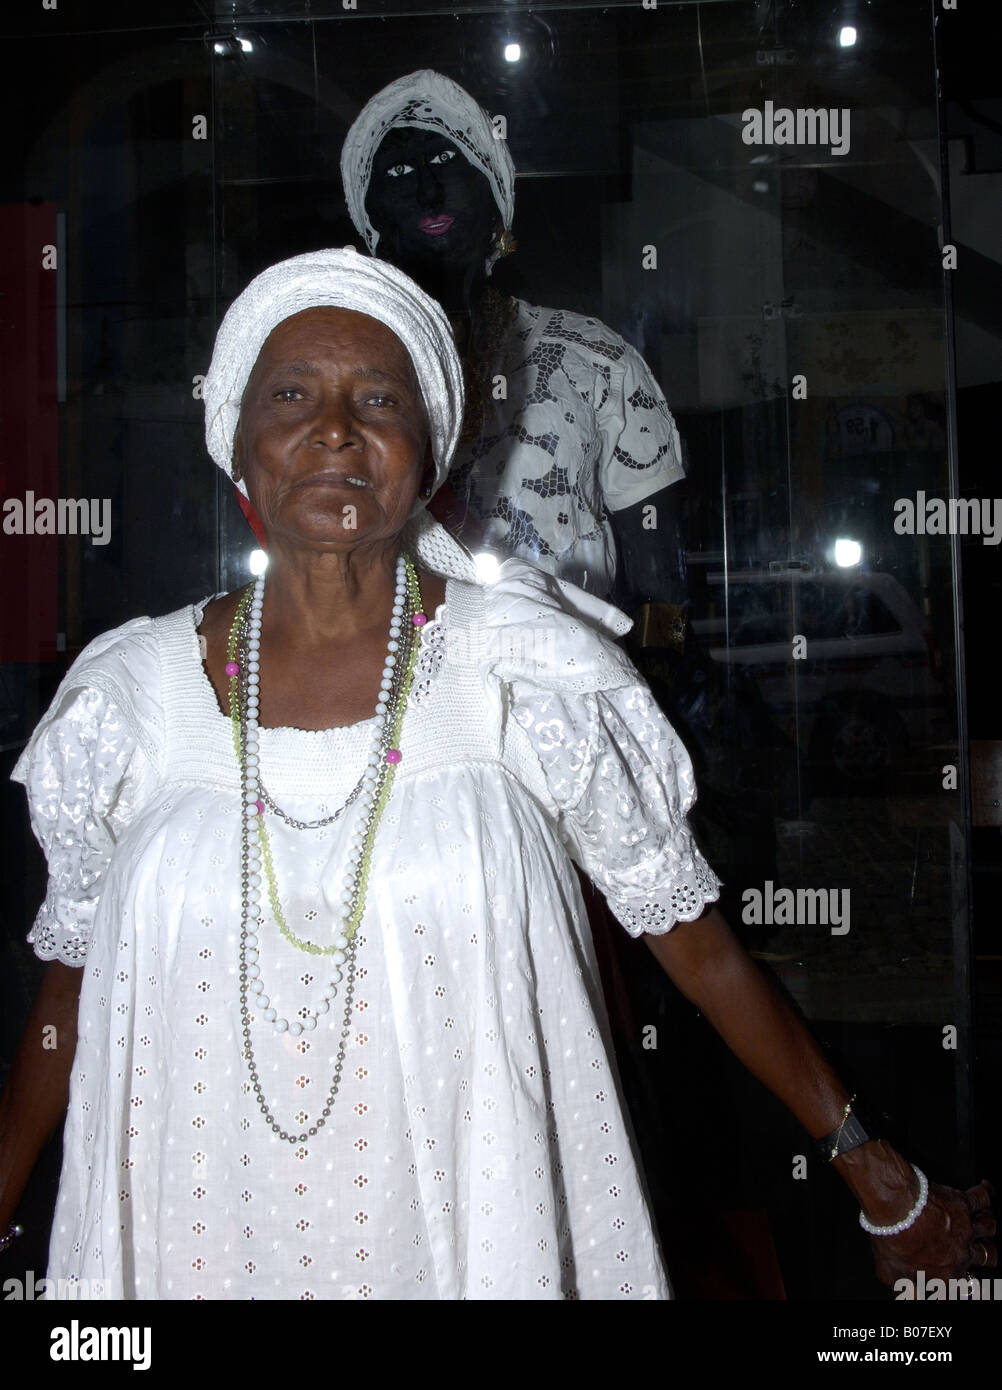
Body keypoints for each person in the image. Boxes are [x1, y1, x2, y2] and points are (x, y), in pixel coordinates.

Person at [0, 249, 993, 1300]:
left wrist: (873, 1169)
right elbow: (71, 996)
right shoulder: (128, 700)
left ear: (427, 454)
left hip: (470, 1236)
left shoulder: (527, 669)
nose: (335, 426)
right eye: (293, 393)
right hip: (196, 1238)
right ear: (237, 443)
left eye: (377, 397)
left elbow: (694, 947)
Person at [340, 69, 688, 618]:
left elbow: (659, 580)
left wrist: (657, 678)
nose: (427, 189)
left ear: (494, 193)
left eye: (448, 163)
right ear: (374, 218)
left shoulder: (592, 357)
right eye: (401, 171)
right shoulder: (345, 372)